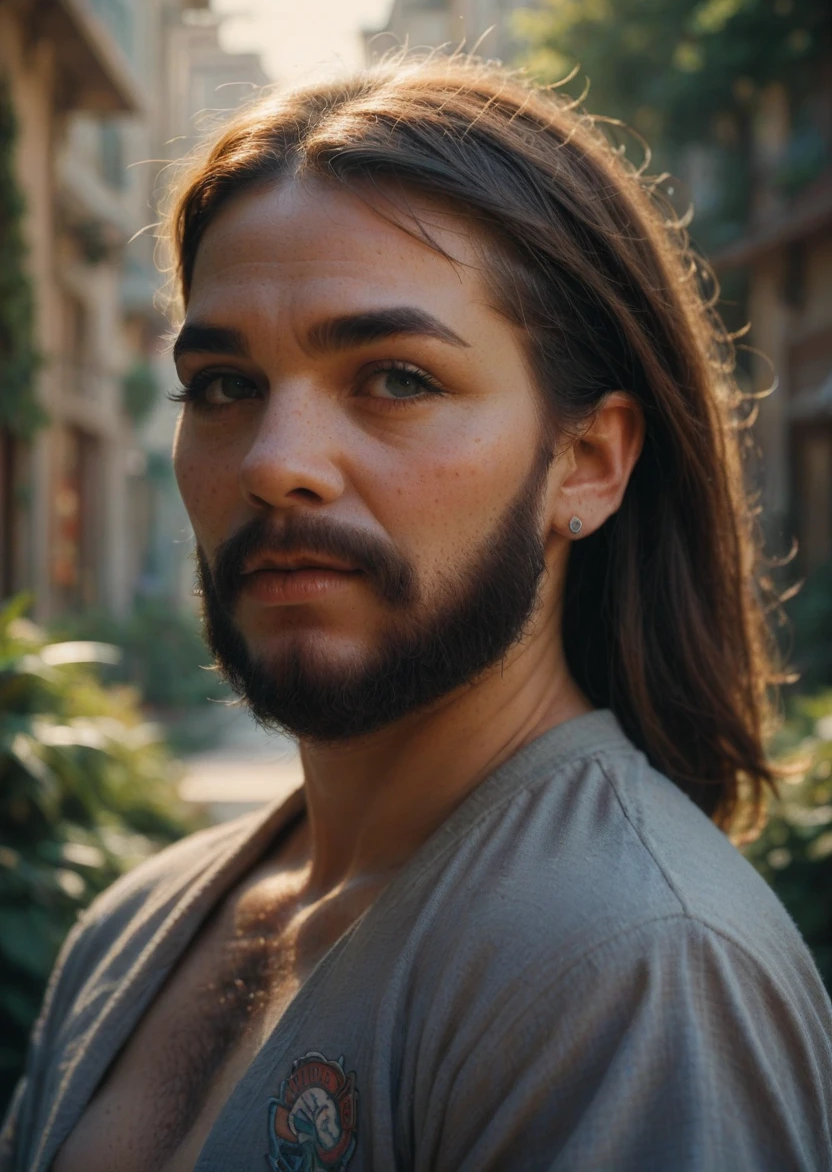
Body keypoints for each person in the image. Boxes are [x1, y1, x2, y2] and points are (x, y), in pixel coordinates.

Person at [3, 57, 832, 1172]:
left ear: (584, 463)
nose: (275, 464)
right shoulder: (134, 922)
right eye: (222, 386)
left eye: (396, 379)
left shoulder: (634, 968)